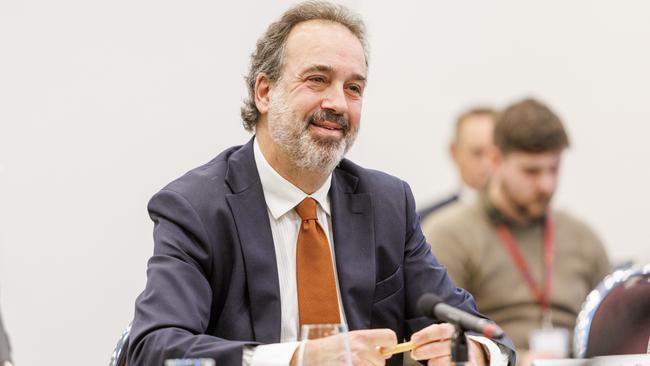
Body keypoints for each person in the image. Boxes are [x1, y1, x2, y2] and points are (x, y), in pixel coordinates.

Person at [127, 2, 515, 365]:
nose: (339, 104)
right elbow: (154, 348)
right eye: (318, 79)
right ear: (265, 92)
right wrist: (300, 358)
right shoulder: (197, 206)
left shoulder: (387, 203)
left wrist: (474, 353)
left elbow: (491, 339)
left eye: (354, 88)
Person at [421, 98, 611, 365]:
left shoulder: (582, 238)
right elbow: (434, 344)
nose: (546, 184)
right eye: (531, 171)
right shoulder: (451, 234)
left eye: (553, 169)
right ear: (495, 160)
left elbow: (613, 331)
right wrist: (514, 359)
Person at [418, 107, 496, 219]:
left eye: (495, 154)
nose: (487, 163)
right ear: (454, 152)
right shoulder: (426, 221)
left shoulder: (523, 220)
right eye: (477, 153)